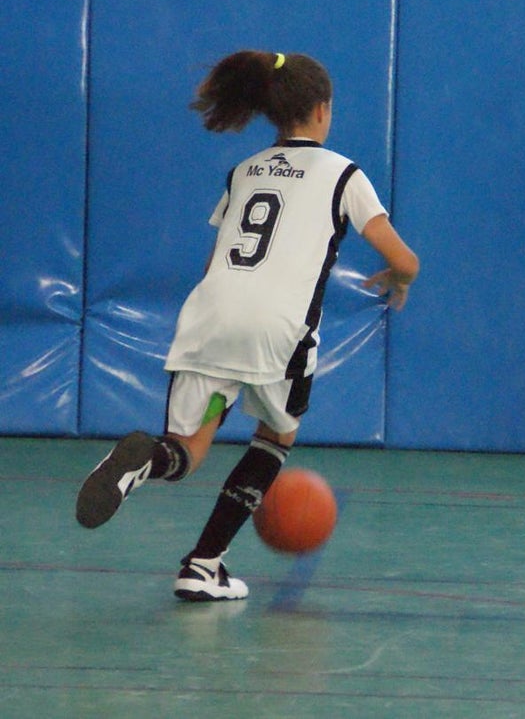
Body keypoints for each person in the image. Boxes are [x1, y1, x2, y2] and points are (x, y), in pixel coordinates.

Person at [75, 51, 419, 601]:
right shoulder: (343, 173)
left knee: (186, 451)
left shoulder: (245, 171)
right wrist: (400, 278)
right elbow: (403, 258)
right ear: (323, 109)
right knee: (276, 436)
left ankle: (147, 465)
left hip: (209, 318)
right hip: (276, 331)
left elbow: (217, 260)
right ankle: (203, 561)